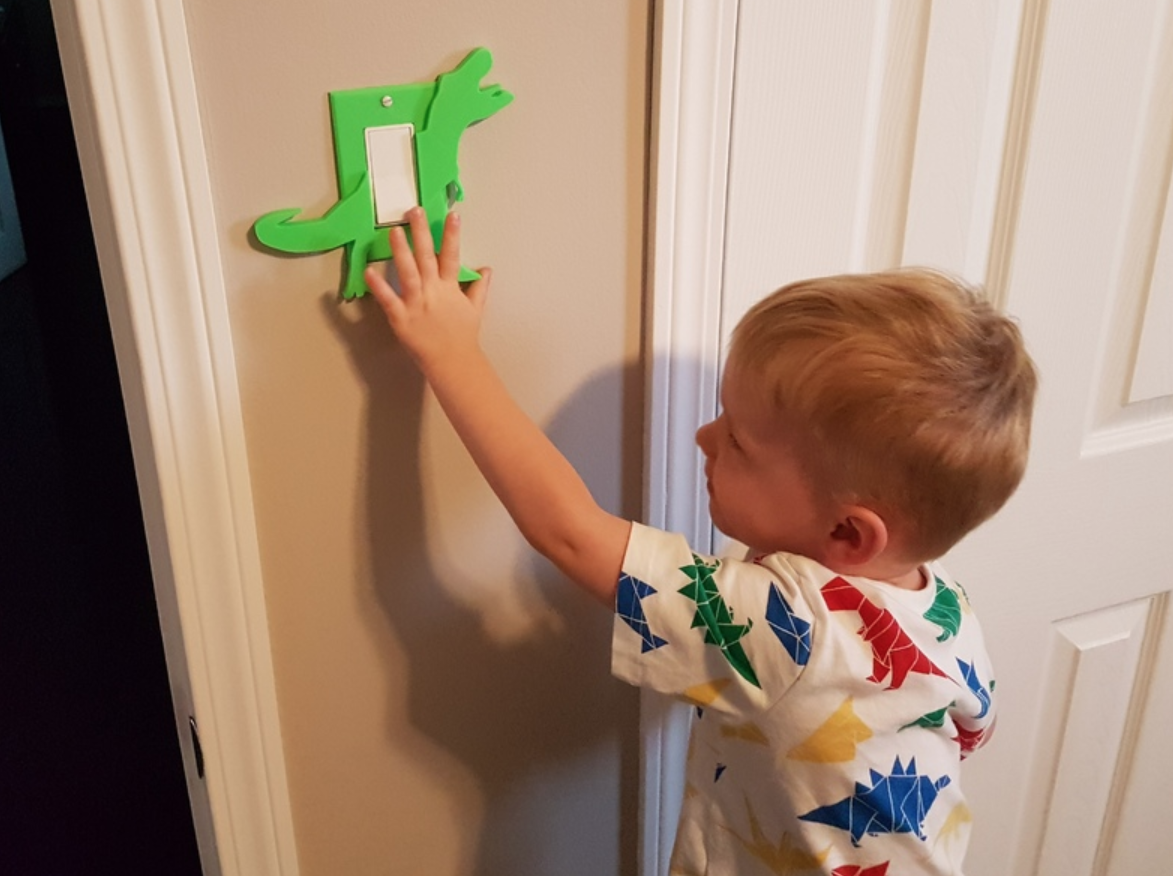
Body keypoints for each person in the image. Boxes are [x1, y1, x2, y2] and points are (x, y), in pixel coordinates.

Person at [364, 206, 1038, 876]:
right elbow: (970, 730)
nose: (702, 437)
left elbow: (569, 533)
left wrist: (451, 353)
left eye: (737, 440)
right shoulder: (945, 606)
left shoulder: (791, 630)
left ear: (846, 531)